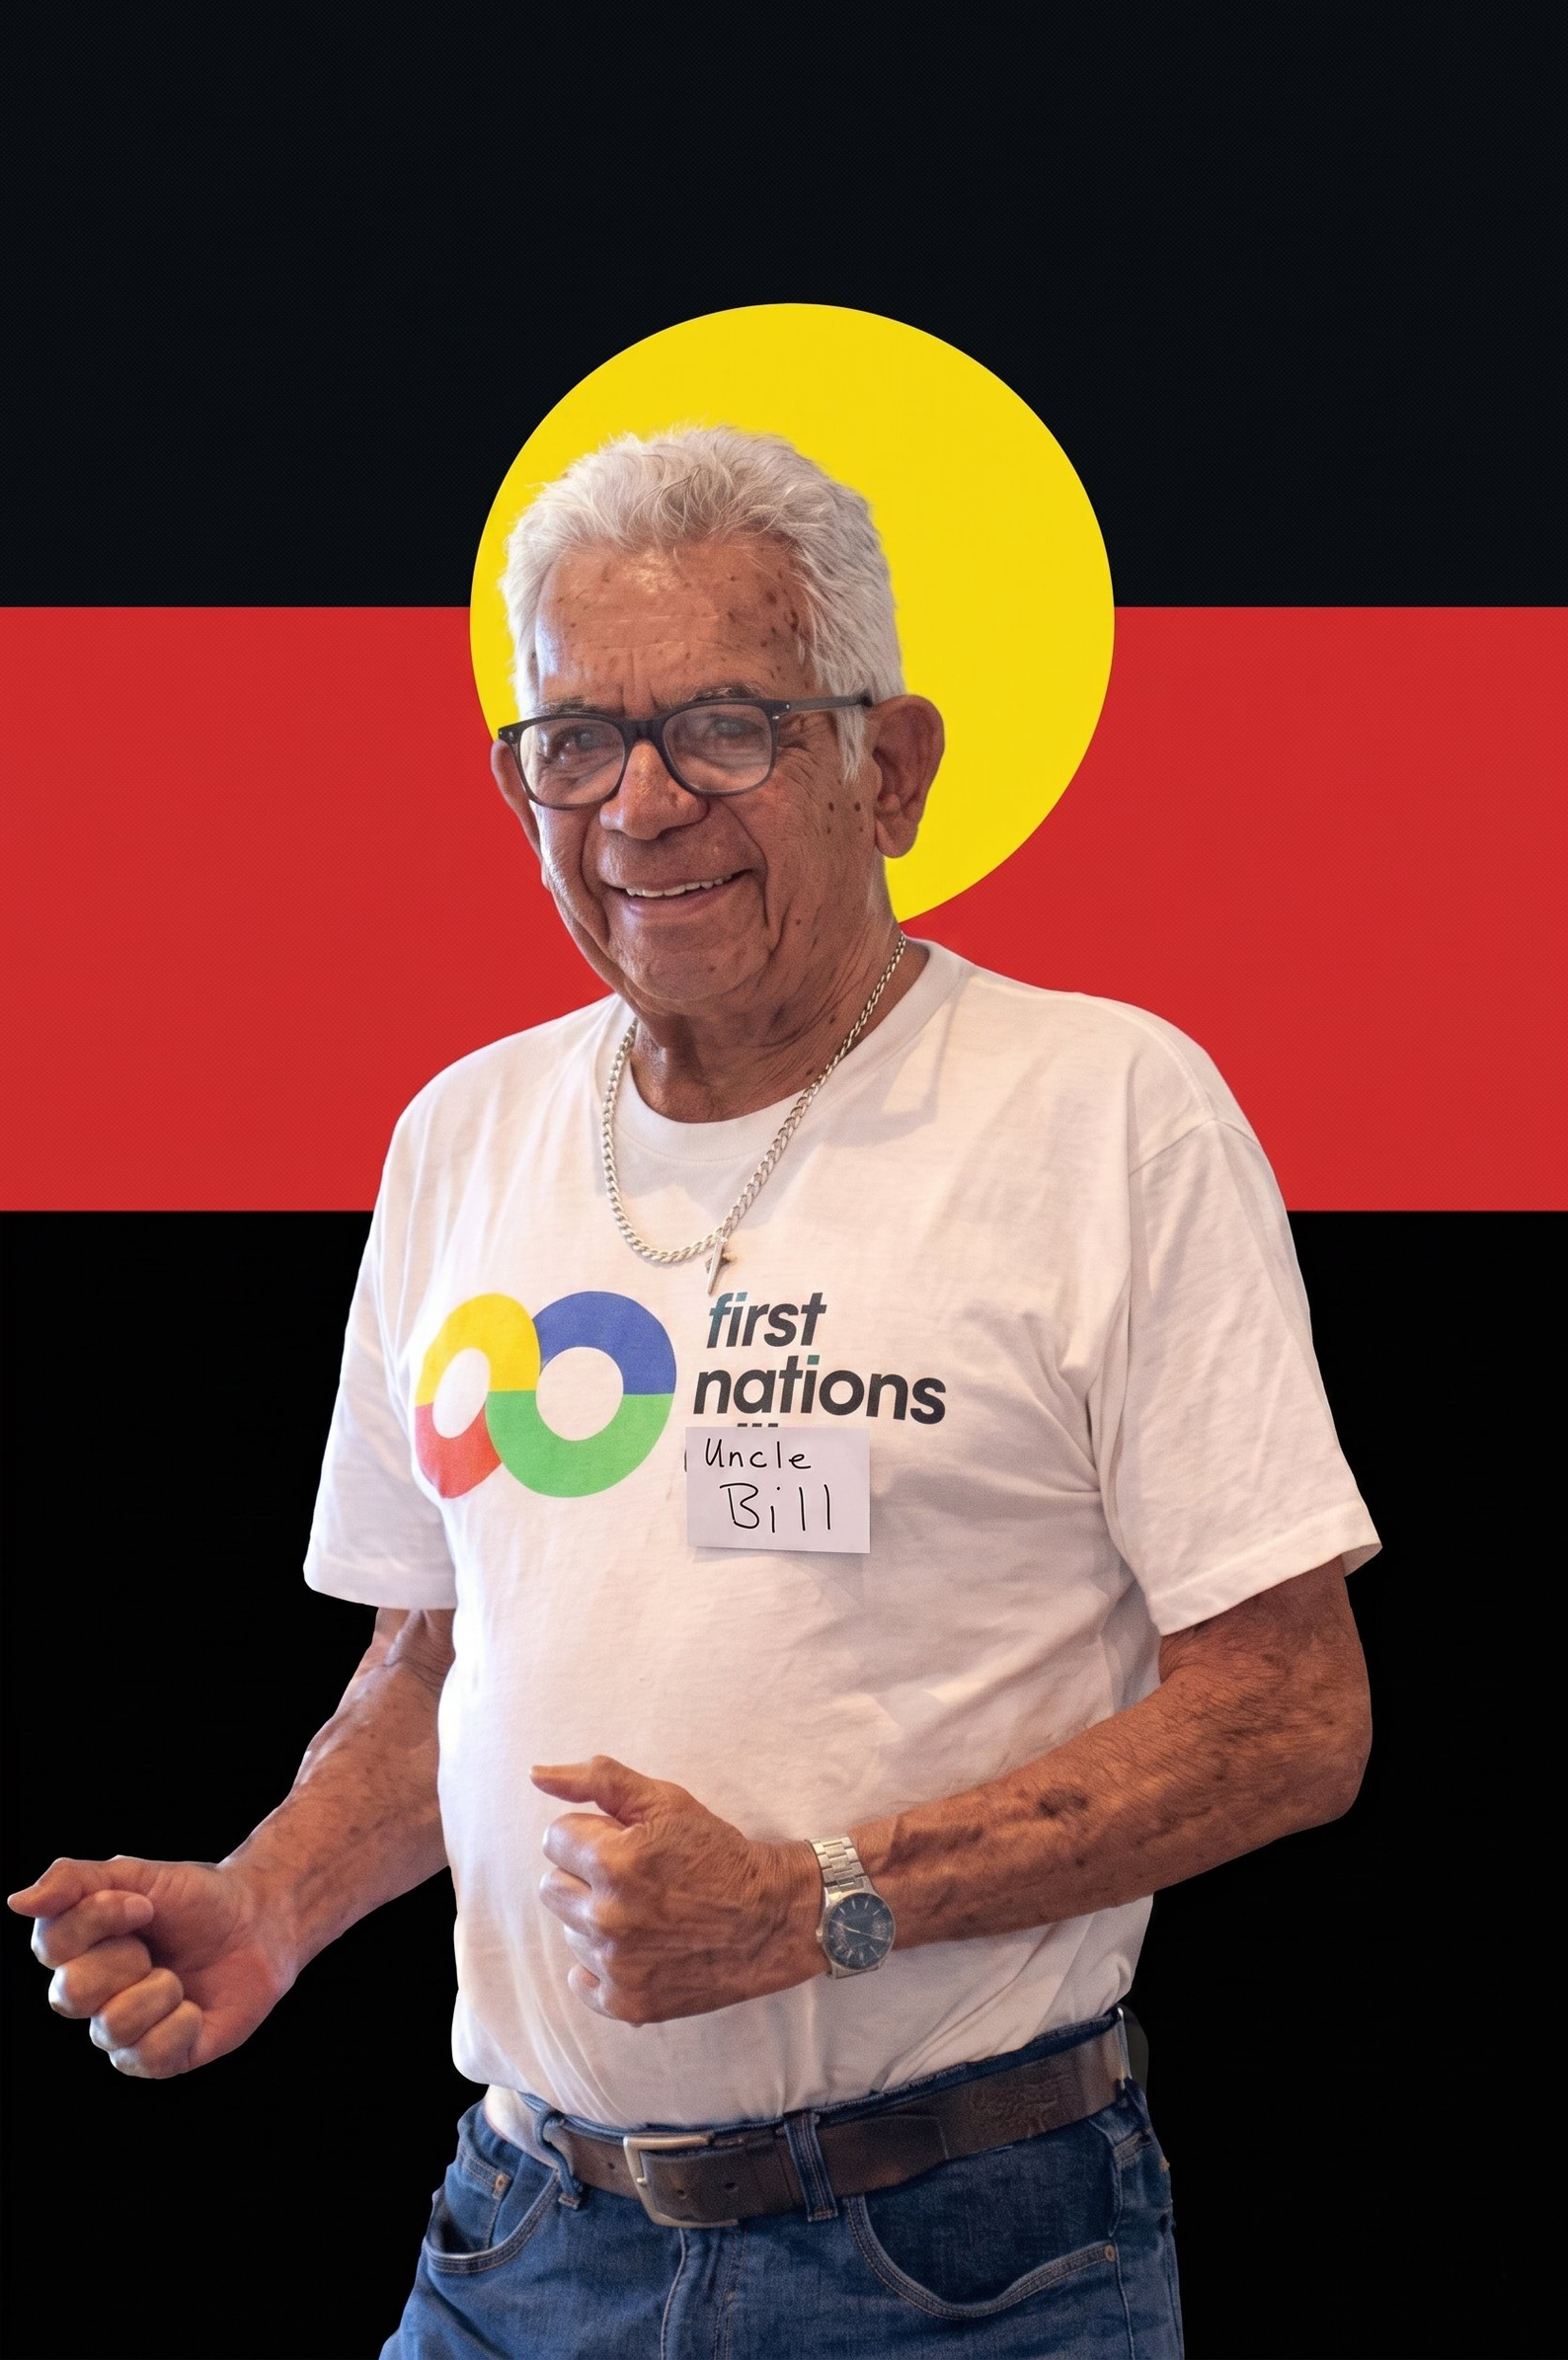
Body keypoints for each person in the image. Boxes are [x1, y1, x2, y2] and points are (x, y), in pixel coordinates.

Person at [10, 425, 1379, 2357]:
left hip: (959, 2263)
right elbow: (438, 1661)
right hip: (520, 2232)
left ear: (882, 765)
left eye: (719, 726)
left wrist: (819, 1898)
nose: (636, 806)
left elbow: (1291, 1713)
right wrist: (273, 1898)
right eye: (570, 741)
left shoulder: (1102, 1110)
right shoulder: (460, 1137)